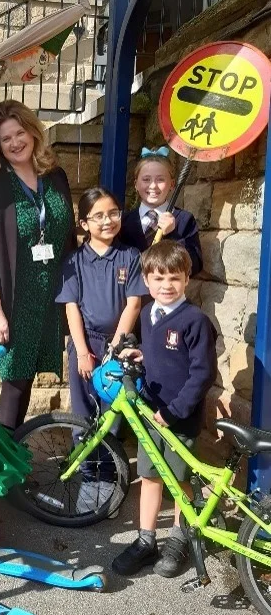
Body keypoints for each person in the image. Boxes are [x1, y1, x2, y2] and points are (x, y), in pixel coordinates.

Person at [111, 240, 217, 579]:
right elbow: (162, 355)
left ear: (187, 279)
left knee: (179, 481)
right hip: (150, 415)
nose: (166, 285)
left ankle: (178, 537)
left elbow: (202, 374)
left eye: (174, 278)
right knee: (150, 475)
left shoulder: (195, 321)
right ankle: (146, 540)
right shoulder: (147, 313)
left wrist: (173, 412)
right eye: (158, 279)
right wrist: (142, 354)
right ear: (146, 280)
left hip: (177, 418)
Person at [0, 99, 76, 432]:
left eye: (20, 133)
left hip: (49, 299)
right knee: (14, 387)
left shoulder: (55, 175)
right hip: (13, 302)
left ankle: (11, 459)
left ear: (33, 132)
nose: (16, 142)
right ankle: (2, 470)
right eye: (6, 138)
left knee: (26, 383)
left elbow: (69, 236)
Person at [56, 187, 147, 423]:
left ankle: (109, 461)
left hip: (118, 342)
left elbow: (134, 304)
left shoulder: (130, 256)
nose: (108, 221)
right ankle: (83, 460)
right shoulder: (73, 260)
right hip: (85, 341)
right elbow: (71, 307)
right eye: (99, 216)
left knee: (113, 410)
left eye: (113, 213)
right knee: (83, 410)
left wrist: (116, 348)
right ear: (84, 224)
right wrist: (83, 352)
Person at [120, 148, 203, 276]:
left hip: (167, 293)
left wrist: (173, 236)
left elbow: (194, 267)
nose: (153, 186)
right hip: (131, 295)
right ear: (136, 184)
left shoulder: (184, 220)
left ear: (172, 184)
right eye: (146, 179)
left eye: (160, 180)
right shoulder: (124, 222)